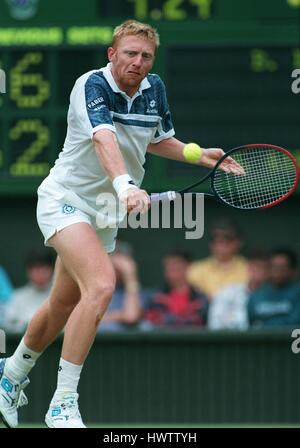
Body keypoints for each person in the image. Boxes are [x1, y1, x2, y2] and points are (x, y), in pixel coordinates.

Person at [0, 20, 243, 428]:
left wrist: (196, 156)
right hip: (66, 200)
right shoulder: (91, 85)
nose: (138, 62)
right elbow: (104, 138)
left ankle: (10, 378)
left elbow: (154, 138)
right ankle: (62, 402)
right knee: (102, 286)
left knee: (63, 302)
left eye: (146, 56)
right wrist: (126, 185)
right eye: (130, 53)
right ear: (112, 54)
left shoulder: (155, 89)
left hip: (105, 213)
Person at [143, 250, 209, 328]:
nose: (171, 268)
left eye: (176, 264)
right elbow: (151, 322)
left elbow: (199, 323)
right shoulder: (155, 298)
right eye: (168, 265)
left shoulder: (200, 299)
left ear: (188, 267)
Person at [187, 218, 248, 299]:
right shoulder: (196, 270)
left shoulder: (249, 269)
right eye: (216, 238)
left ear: (238, 242)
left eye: (228, 238)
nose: (221, 242)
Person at [208, 251, 269, 330]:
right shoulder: (228, 292)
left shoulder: (274, 295)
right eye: (255, 266)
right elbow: (214, 324)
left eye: (263, 267)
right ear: (248, 267)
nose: (258, 271)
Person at [4, 249, 54, 334]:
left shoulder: (63, 297)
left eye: (43, 268)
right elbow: (8, 325)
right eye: (34, 269)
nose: (39, 273)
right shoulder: (17, 298)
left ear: (52, 269)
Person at [248, 248, 300, 328]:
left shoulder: (297, 292)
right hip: (261, 339)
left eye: (282, 267)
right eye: (274, 266)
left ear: (293, 270)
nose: (277, 271)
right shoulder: (257, 295)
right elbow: (251, 324)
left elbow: (294, 324)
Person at [100, 241, 142, 331]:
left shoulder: (134, 294)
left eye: (120, 268)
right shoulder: (88, 289)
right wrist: (119, 315)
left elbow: (131, 316)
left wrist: (130, 275)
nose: (116, 271)